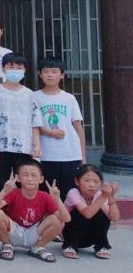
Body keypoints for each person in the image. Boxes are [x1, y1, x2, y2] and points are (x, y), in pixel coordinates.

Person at [0, 53, 43, 197]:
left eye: (19, 67)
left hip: (24, 148)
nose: (15, 70)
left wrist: (36, 145)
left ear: (24, 70)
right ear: (3, 68)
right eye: (11, 66)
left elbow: (35, 122)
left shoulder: (30, 94)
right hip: (1, 148)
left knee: (23, 186)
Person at [0, 159, 70, 262]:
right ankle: (7, 244)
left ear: (41, 179)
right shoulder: (14, 193)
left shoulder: (44, 196)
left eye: (33, 175)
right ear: (18, 178)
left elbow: (66, 219)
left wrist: (58, 200)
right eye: (25, 175)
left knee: (58, 220)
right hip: (14, 231)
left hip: (35, 232)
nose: (29, 179)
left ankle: (38, 247)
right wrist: (4, 191)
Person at [34, 58, 86, 194]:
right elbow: (32, 125)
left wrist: (83, 157)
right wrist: (49, 132)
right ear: (40, 74)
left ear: (62, 75)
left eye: (54, 71)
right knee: (47, 192)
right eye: (46, 71)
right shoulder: (34, 97)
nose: (50, 75)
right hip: (45, 154)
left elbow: (78, 127)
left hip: (70, 154)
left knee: (69, 193)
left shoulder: (69, 98)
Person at [62, 164, 121, 260]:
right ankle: (70, 246)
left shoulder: (100, 195)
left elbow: (114, 218)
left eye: (96, 181)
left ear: (101, 184)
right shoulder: (73, 193)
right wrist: (103, 196)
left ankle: (101, 246)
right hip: (69, 234)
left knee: (101, 212)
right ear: (77, 181)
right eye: (86, 180)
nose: (91, 185)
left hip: (91, 236)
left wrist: (110, 197)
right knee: (78, 211)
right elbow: (87, 214)